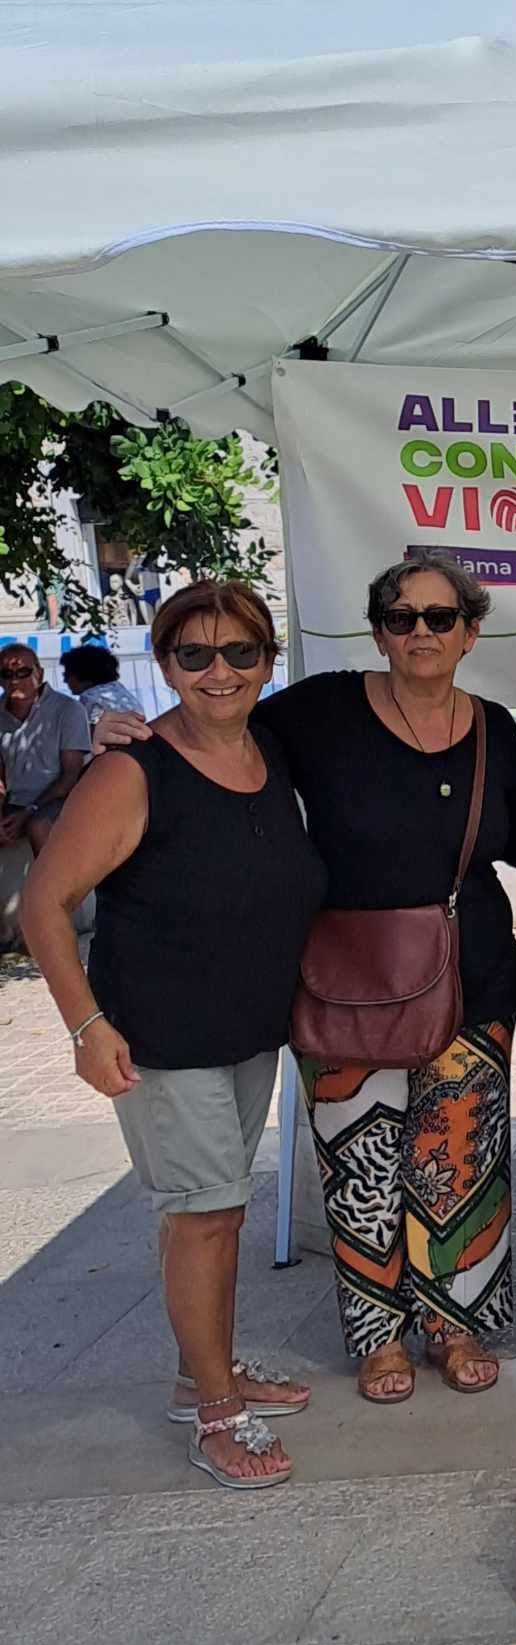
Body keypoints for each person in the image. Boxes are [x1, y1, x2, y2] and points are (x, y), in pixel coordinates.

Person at [97, 553, 516, 1402]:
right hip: (347, 979)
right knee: (361, 1165)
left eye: (440, 618)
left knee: (461, 1161)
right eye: (402, 618)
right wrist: (128, 736)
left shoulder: (489, 725)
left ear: (470, 632)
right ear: (378, 633)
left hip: (472, 973)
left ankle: (455, 1325)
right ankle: (380, 1337)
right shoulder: (319, 712)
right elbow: (213, 732)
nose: (421, 632)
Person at [21, 583, 324, 1489]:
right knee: (204, 1217)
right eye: (194, 655)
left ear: (268, 661)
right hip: (162, 1037)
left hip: (247, 1030)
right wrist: (85, 1025)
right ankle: (216, 1414)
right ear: (165, 665)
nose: (218, 672)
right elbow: (43, 903)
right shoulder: (132, 770)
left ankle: (205, 1372)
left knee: (215, 1211)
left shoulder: (271, 748)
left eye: (239, 653)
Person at [0, 645, 91, 855]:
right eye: (7, 674)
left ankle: (58, 878)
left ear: (39, 674)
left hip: (59, 799)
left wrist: (29, 811)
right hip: (14, 802)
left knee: (39, 826)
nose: (14, 680)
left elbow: (71, 775)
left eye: (23, 672)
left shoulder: (68, 709)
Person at [60, 643, 147, 727]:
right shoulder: (120, 690)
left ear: (84, 675)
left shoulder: (89, 698)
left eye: (67, 675)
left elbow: (85, 733)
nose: (65, 681)